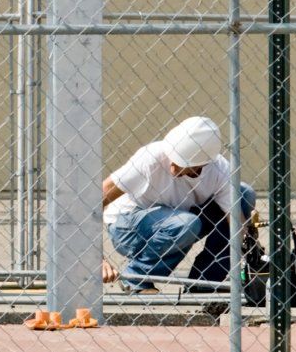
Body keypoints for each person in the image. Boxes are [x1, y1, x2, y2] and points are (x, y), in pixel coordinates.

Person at [101, 116, 256, 294]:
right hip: (127, 226)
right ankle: (137, 277)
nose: (172, 169)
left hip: (178, 219)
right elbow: (97, 199)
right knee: (187, 224)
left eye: (180, 164)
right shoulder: (150, 157)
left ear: (203, 164)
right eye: (172, 159)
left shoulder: (219, 170)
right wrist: (97, 259)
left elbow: (237, 224)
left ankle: (205, 282)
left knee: (244, 194)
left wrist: (250, 254)